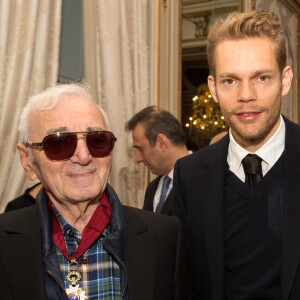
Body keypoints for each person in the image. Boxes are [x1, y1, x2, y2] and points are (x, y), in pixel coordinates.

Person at [0, 84, 190, 299]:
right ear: (27, 161)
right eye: (59, 142)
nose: (83, 156)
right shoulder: (4, 241)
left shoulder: (165, 236)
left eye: (97, 140)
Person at [173, 10, 300, 299]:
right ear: (213, 88)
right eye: (230, 81)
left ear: (286, 80)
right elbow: (182, 282)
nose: (246, 95)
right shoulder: (189, 175)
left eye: (262, 78)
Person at [126, 106, 190, 215]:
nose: (138, 159)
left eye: (140, 149)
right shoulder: (152, 189)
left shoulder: (205, 179)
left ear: (161, 143)